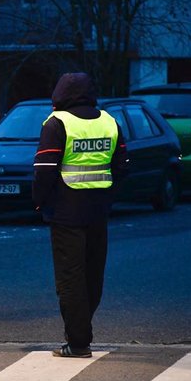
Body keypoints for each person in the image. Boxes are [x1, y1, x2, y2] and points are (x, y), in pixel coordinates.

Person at [33, 72, 128, 358]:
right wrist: (107, 198)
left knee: (70, 278)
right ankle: (82, 330)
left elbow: (45, 170)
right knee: (92, 275)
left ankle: (78, 342)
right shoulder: (109, 121)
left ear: (60, 94)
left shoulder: (57, 123)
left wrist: (40, 203)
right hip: (98, 212)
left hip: (66, 213)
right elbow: (122, 167)